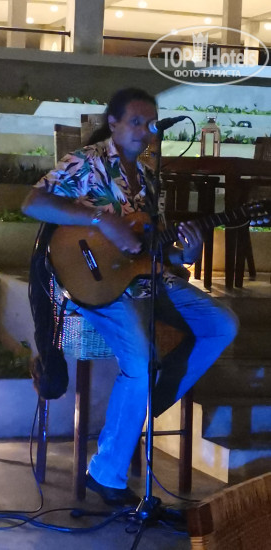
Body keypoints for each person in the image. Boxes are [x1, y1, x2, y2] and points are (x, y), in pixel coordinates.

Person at [22, 88, 238, 506]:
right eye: (136, 122)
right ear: (114, 123)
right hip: (93, 281)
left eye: (150, 123)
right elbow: (33, 203)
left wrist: (187, 253)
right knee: (138, 363)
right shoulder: (87, 161)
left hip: (142, 278)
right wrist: (100, 221)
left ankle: (149, 403)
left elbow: (154, 247)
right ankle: (107, 473)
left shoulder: (150, 176)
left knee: (222, 324)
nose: (145, 130)